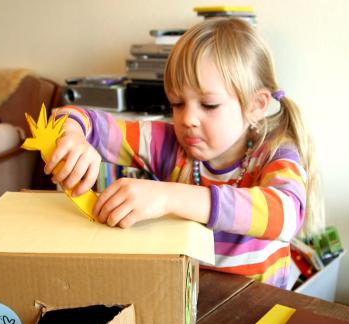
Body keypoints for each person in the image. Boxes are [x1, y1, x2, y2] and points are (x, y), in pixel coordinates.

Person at [46, 18, 324, 289]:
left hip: (257, 308)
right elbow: (67, 116)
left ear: (256, 105)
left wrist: (168, 196)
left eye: (209, 104)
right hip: (185, 295)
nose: (187, 118)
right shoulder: (169, 144)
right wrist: (73, 136)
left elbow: (286, 215)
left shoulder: (276, 152)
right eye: (177, 103)